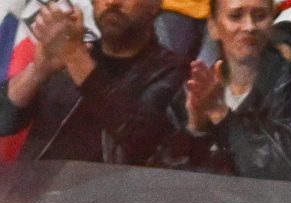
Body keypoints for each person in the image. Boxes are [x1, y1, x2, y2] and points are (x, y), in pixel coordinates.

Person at [152, 0, 291, 182]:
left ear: (272, 23)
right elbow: (160, 179)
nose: (249, 27)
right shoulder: (194, 90)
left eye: (260, 16)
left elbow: (289, 173)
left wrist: (221, 116)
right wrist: (195, 129)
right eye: (235, 16)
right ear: (213, 27)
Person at [0, 0, 184, 165]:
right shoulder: (73, 51)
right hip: (33, 192)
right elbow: (4, 123)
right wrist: (37, 72)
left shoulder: (173, 72)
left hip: (110, 198)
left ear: (155, 5)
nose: (112, 2)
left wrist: (75, 57)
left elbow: (144, 145)